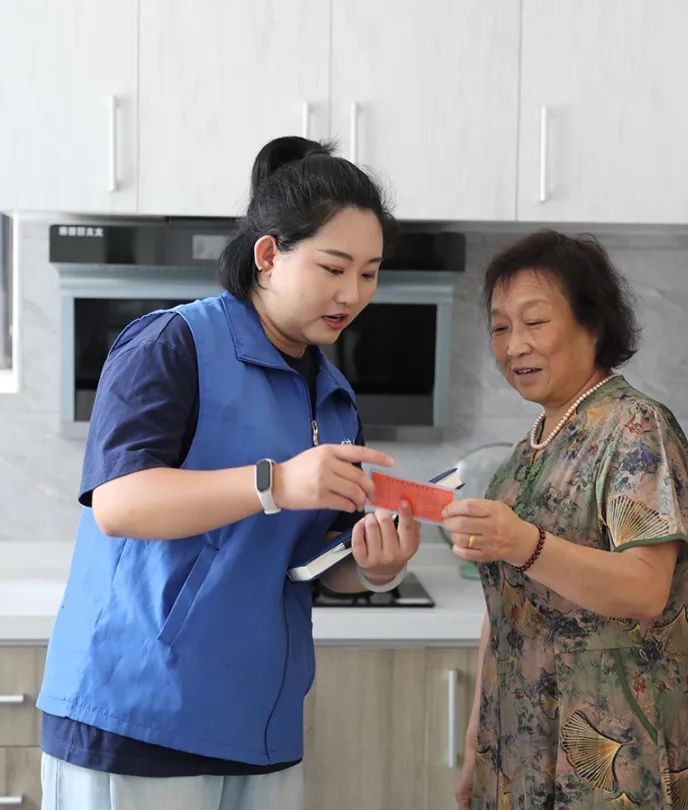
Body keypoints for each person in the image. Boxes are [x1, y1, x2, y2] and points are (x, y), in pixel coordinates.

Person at [37, 137, 420, 810]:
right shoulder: (173, 344)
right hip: (137, 712)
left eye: (369, 273)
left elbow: (314, 563)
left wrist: (375, 567)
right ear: (268, 255)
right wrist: (276, 483)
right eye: (334, 268)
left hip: (259, 724)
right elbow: (119, 503)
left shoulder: (333, 397)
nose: (353, 294)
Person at [443, 231, 688, 809]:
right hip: (520, 743)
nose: (514, 345)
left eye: (535, 322)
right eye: (500, 327)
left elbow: (645, 588)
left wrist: (525, 543)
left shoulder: (635, 428)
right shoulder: (527, 453)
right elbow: (505, 609)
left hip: (616, 753)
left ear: (593, 323)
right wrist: (475, 739)